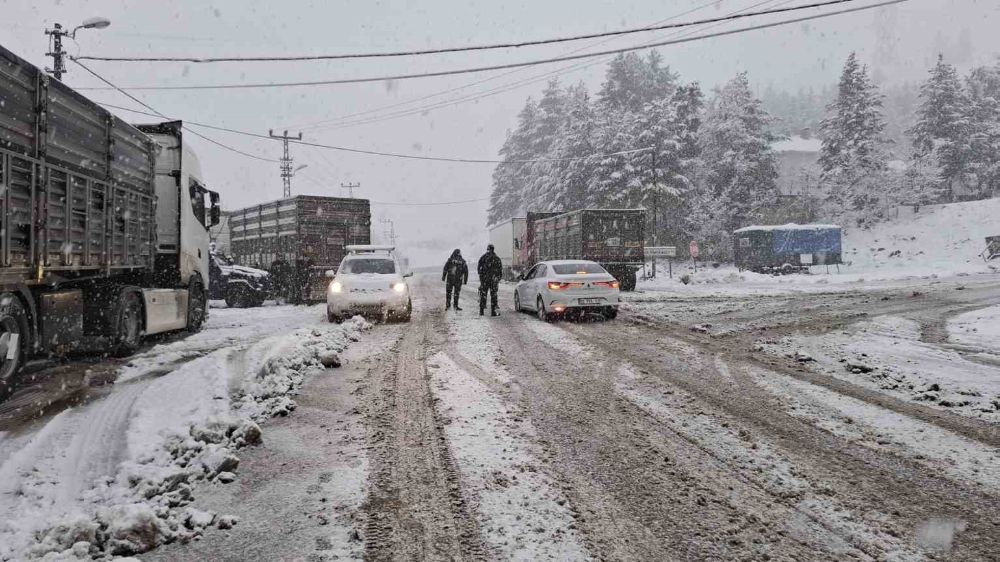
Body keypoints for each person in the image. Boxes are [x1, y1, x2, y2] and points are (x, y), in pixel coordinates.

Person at [477, 244, 503, 316]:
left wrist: (481, 277)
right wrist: (497, 279)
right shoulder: (497, 258)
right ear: (493, 249)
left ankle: (481, 311)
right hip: (493, 280)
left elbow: (479, 268)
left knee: (483, 295)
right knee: (494, 296)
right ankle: (493, 312)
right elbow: (500, 270)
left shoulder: (483, 257)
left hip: (485, 280)